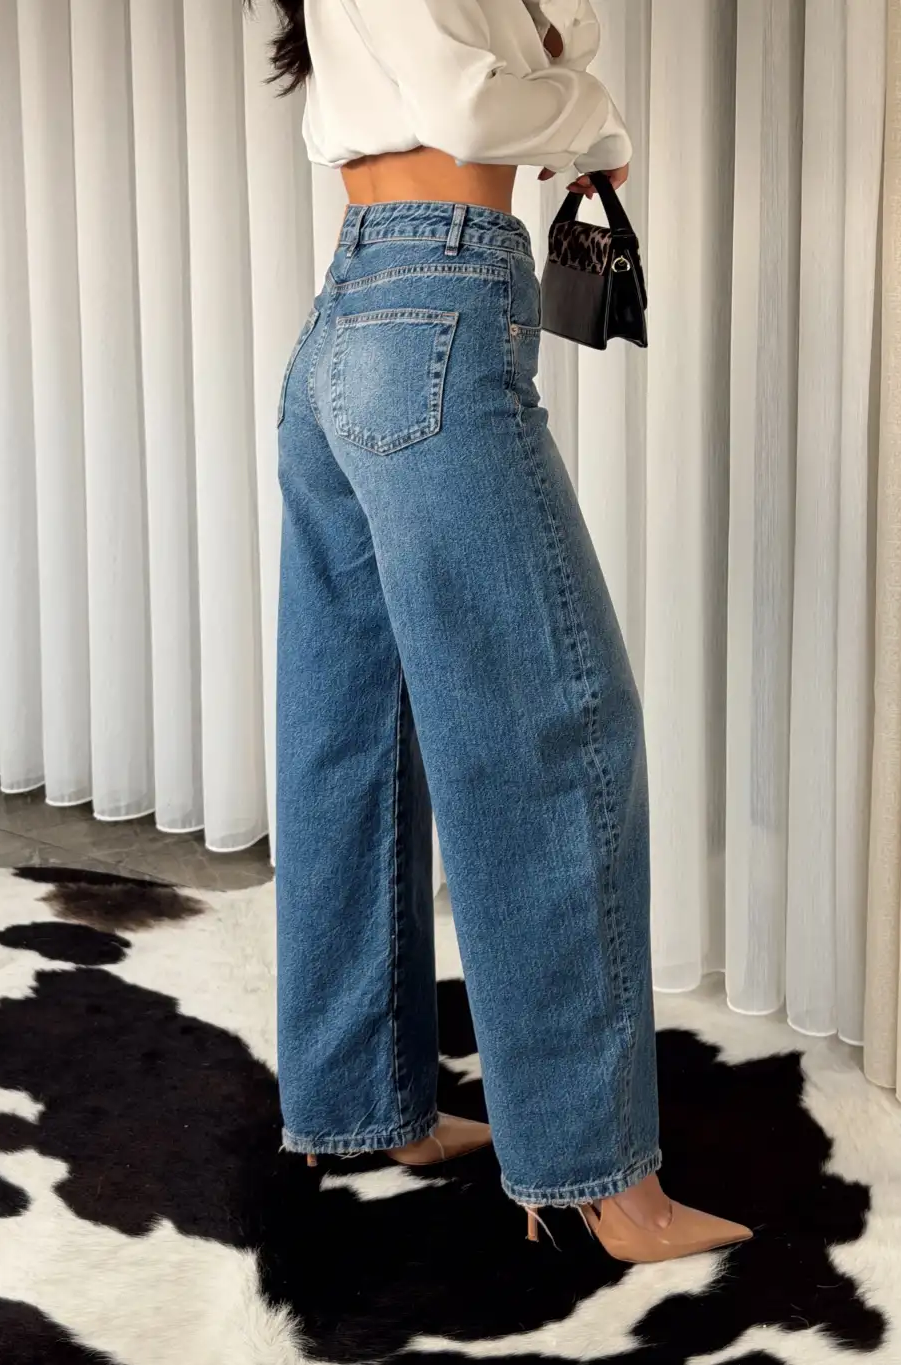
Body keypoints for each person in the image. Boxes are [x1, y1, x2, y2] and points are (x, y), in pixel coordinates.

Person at [269, 0, 752, 1264]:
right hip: (435, 308)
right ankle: (603, 1183)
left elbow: (538, 42)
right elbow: (474, 106)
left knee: (351, 738)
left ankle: (359, 1106)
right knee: (562, 732)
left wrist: (573, 91)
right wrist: (596, 118)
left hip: (346, 317)